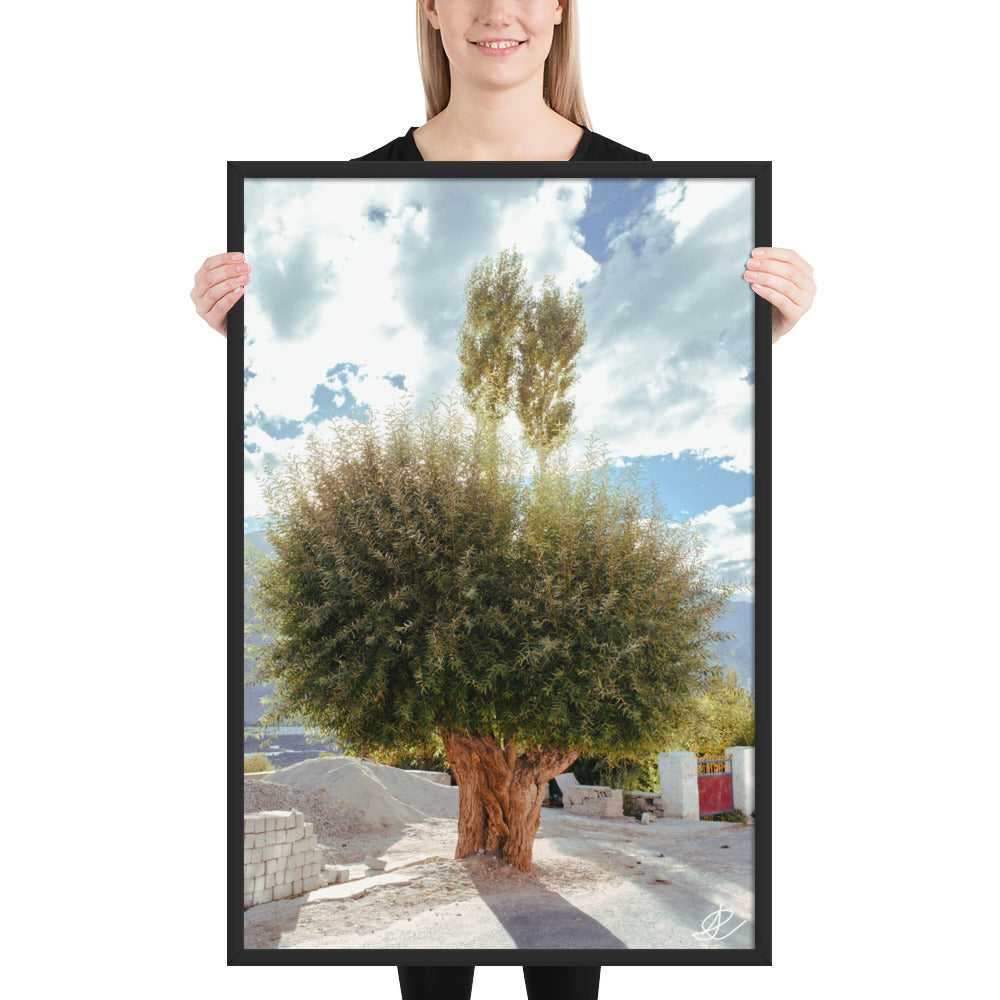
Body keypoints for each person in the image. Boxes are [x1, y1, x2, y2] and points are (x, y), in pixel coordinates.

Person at [206, 2, 815, 996]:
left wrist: (758, 337)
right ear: (431, 11)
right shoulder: (349, 188)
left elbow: (703, 344)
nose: (500, 7)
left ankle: (507, 855)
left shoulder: (643, 172)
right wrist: (244, 336)